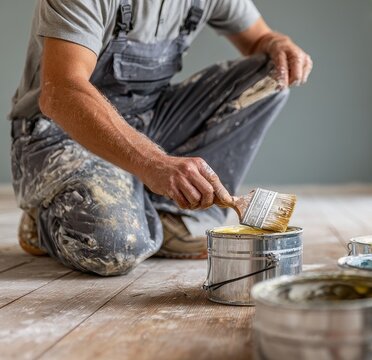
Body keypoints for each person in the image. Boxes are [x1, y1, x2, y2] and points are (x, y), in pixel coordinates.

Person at [9, 0, 312, 276]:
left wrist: (277, 42)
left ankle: (164, 212)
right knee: (118, 245)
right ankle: (47, 219)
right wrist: (153, 163)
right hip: (60, 136)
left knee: (275, 71)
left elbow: (260, 39)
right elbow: (61, 91)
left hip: (149, 121)